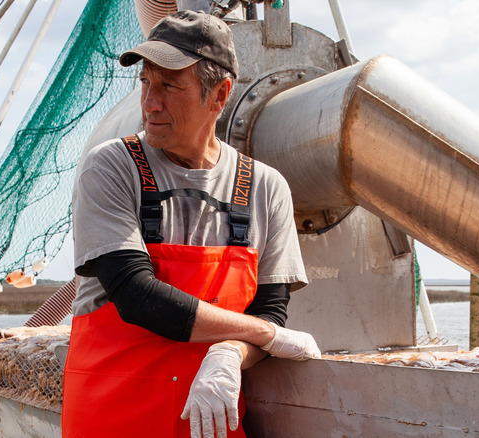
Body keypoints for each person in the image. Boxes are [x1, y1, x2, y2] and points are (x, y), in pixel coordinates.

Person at [63, 10, 320, 438]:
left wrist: (230, 354)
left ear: (219, 95)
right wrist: (262, 334)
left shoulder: (265, 188)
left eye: (169, 85)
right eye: (145, 82)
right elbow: (135, 294)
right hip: (110, 421)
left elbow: (271, 310)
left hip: (210, 424)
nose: (149, 102)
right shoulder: (111, 167)